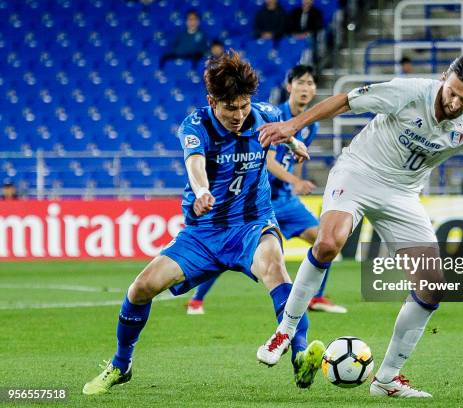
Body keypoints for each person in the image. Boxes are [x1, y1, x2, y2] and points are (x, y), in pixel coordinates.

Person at [256, 54, 463, 398]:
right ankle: (286, 329)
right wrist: (292, 126)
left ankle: (387, 379)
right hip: (358, 171)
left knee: (432, 286)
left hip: (402, 194)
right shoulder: (409, 92)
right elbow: (345, 101)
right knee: (328, 243)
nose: (456, 102)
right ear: (445, 77)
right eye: (452, 92)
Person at [83, 51, 324, 395]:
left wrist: (295, 141)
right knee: (141, 288)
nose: (239, 115)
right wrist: (201, 190)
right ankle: (121, 365)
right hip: (204, 232)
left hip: (252, 225)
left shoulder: (264, 115)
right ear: (212, 101)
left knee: (275, 268)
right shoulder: (195, 126)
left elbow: (281, 129)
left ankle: (301, 356)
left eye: (243, 106)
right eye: (230, 108)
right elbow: (195, 162)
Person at [186, 65, 347, 315]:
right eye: (301, 83)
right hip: (255, 201)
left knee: (324, 240)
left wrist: (296, 182)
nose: (306, 88)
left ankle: (316, 297)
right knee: (225, 252)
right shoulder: (272, 115)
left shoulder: (308, 125)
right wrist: (295, 182)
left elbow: (294, 159)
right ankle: (197, 299)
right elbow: (270, 161)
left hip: (284, 200)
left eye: (310, 84)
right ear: (289, 86)